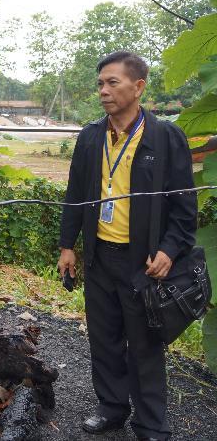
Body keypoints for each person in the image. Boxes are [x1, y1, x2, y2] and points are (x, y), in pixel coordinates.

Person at [57, 51, 196, 441]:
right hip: (100, 257)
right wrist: (68, 245)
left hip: (144, 262)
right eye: (100, 83)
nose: (103, 90)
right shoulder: (90, 136)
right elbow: (75, 195)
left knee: (145, 346)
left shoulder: (165, 137)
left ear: (138, 87)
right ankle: (112, 408)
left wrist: (169, 249)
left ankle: (151, 425)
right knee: (104, 339)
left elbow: (185, 207)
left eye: (112, 83)